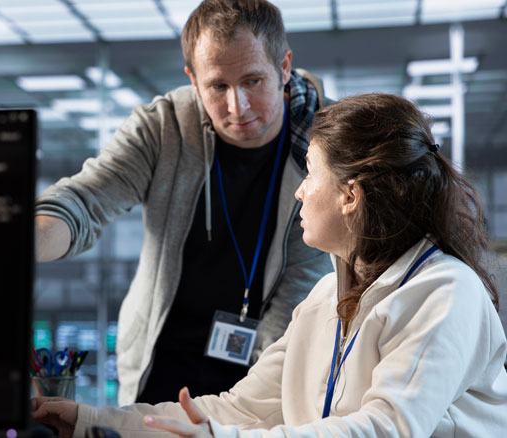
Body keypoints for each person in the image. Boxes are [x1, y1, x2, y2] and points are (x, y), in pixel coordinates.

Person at [32, 93, 507, 437]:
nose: (299, 191)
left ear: (350, 196)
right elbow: (241, 409)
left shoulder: (446, 294)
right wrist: (91, 421)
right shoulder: (325, 298)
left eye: (311, 174)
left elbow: (385, 429)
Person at [35, 0, 332, 405]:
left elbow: (303, 281)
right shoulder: (163, 127)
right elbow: (86, 200)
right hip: (157, 363)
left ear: (284, 67)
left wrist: (250, 403)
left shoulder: (325, 146)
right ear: (193, 80)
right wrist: (29, 241)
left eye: (253, 81)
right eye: (218, 86)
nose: (238, 107)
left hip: (259, 368)